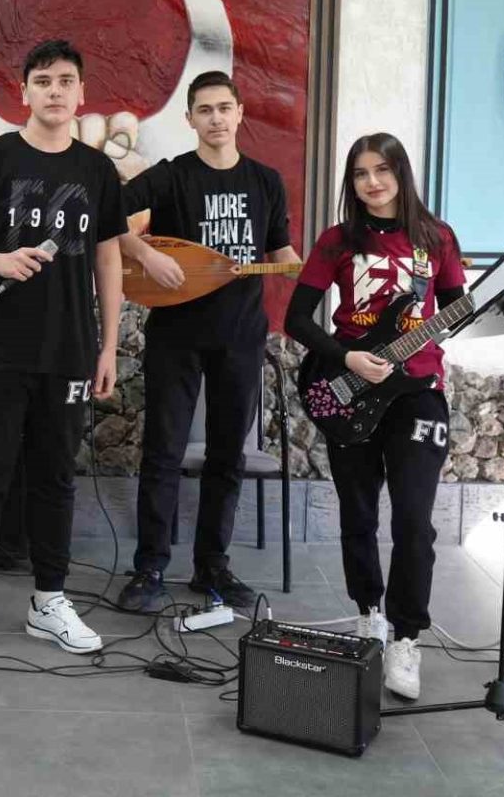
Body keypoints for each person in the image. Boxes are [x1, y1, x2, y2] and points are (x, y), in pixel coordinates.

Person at [0, 38, 126, 667]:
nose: (54, 91)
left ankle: (49, 601)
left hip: (68, 351)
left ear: (81, 93)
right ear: (23, 92)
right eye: (42, 81)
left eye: (65, 80)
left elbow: (108, 259)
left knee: (55, 478)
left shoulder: (97, 171)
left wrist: (108, 347)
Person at [283, 132, 466, 701]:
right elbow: (296, 319)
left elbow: (456, 311)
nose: (372, 182)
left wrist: (484, 309)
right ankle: (369, 615)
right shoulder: (338, 241)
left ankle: (407, 638)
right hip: (352, 386)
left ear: (401, 173)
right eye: (361, 173)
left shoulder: (436, 238)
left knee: (414, 520)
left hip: (418, 393)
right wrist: (347, 358)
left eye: (382, 170)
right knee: (358, 514)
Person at [113, 70, 301, 614]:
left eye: (224, 108)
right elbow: (107, 212)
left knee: (227, 456)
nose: (216, 118)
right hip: (176, 336)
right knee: (163, 452)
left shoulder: (265, 181)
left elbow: (280, 252)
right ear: (190, 119)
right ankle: (150, 567)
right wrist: (146, 254)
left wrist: (302, 268)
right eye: (205, 110)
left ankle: (212, 566)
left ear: (240, 113)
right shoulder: (172, 176)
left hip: (241, 338)